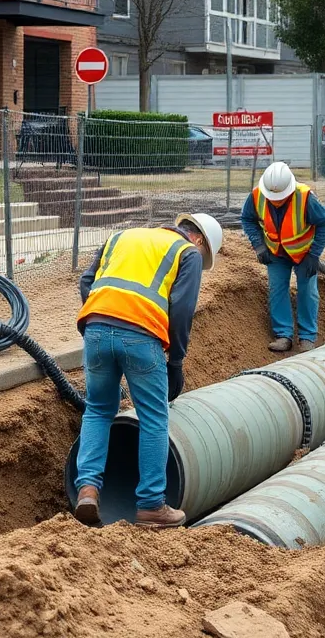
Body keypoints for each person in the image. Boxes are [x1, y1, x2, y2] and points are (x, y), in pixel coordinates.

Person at [71, 212, 223, 529]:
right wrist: (176, 361)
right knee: (153, 416)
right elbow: (182, 311)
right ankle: (152, 505)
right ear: (199, 240)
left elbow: (86, 281)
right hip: (142, 336)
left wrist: (104, 319)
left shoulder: (123, 236)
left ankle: (87, 490)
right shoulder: (188, 253)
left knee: (98, 409)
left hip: (96, 328)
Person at [241, 162, 325, 352]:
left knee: (307, 290)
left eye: (280, 198)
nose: (276, 201)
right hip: (275, 252)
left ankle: (307, 337)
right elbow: (247, 218)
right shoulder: (257, 196)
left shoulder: (305, 197)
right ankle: (283, 334)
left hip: (304, 253)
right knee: (277, 289)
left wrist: (314, 254)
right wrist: (259, 246)